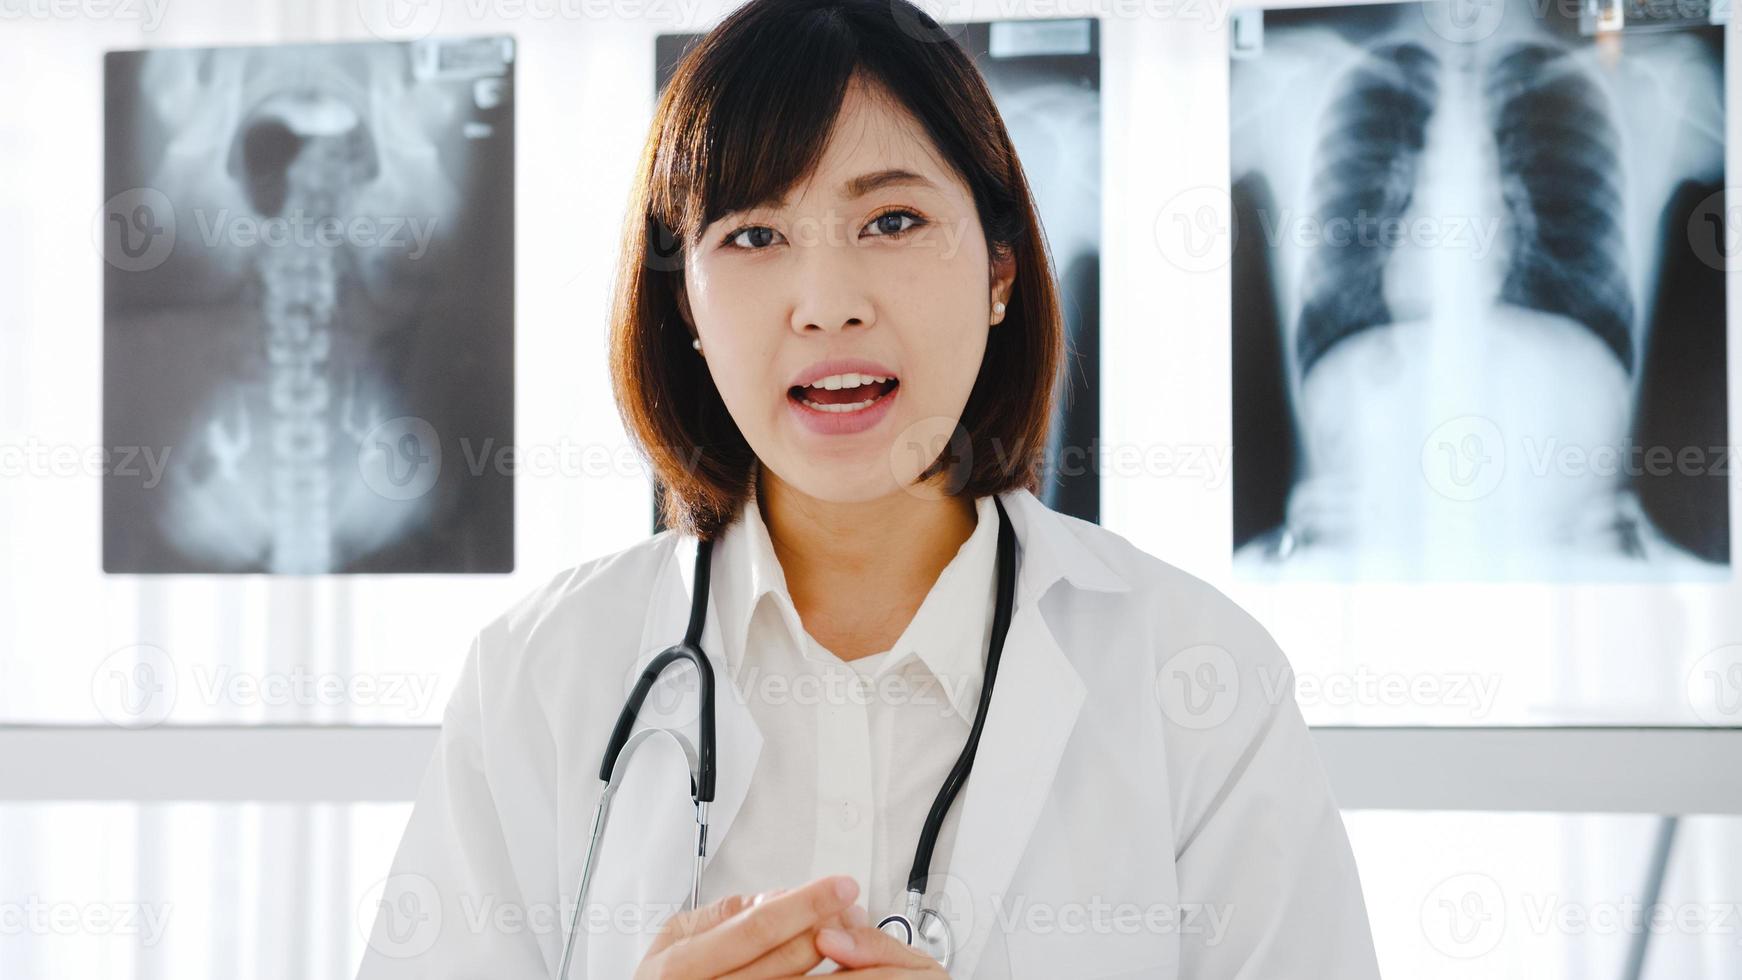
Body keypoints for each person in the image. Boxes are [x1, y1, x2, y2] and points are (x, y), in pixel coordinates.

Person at [357, 0, 1382, 976]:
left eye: (890, 221)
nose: (826, 304)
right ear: (686, 308)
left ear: (998, 272)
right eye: (753, 236)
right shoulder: (537, 677)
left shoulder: (1198, 679)